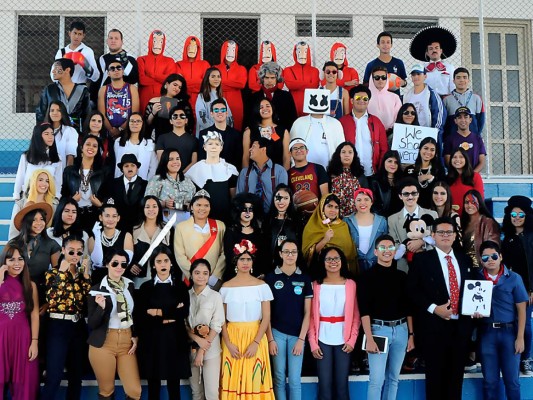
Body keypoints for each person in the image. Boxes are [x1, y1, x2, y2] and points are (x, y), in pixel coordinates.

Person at [407, 216, 474, 400]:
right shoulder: (421, 260)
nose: (445, 235)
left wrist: (476, 308)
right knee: (435, 382)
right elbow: (412, 291)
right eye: (441, 232)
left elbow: (473, 289)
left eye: (449, 232)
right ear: (433, 235)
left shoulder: (464, 259)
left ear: (454, 236)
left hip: (460, 329)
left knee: (455, 382)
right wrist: (434, 309)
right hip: (433, 329)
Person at [358, 235, 414, 400]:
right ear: (376, 251)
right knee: (376, 380)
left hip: (401, 330)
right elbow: (364, 311)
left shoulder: (401, 276)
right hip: (378, 330)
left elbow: (408, 308)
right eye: (383, 248)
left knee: (393, 379)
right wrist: (369, 338)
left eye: (390, 247)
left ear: (395, 251)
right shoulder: (366, 277)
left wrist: (411, 335)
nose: (387, 251)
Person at [220, 240, 275, 399]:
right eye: (242, 259)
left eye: (248, 259)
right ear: (235, 261)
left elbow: (266, 318)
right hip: (232, 338)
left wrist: (256, 342)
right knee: (233, 377)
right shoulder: (226, 287)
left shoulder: (262, 286)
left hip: (255, 336)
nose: (245, 262)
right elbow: (222, 320)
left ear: (252, 262)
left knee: (255, 377)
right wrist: (228, 343)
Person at [136, 245, 191, 400]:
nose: (163, 264)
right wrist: (171, 313)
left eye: (166, 260)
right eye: (158, 261)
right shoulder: (145, 288)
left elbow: (183, 312)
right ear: (153, 264)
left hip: (175, 338)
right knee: (154, 385)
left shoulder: (180, 287)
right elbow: (141, 316)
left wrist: (157, 312)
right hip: (152, 339)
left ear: (171, 263)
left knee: (174, 385)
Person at [476, 241, 528, 400]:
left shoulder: (514, 278)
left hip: (509, 333)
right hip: (487, 333)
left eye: (493, 256)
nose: (490, 260)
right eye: (485, 257)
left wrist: (520, 337)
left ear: (500, 256)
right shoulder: (475, 278)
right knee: (489, 381)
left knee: (512, 381)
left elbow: (522, 309)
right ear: (481, 260)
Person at [41, 234, 91, 400]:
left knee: (76, 377)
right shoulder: (51, 274)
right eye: (71, 252)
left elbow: (86, 303)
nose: (75, 256)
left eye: (79, 252)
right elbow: (52, 298)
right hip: (57, 326)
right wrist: (62, 273)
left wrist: (85, 277)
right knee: (54, 376)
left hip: (78, 328)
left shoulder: (82, 276)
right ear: (63, 250)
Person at [87, 249, 141, 400]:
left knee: (134, 391)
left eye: (123, 264)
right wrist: (101, 308)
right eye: (115, 263)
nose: (119, 267)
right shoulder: (97, 289)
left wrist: (135, 335)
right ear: (107, 264)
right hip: (103, 343)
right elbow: (92, 323)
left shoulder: (129, 286)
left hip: (126, 343)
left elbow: (134, 314)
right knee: (106, 390)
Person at [308, 247, 360, 400]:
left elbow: (356, 316)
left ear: (342, 261)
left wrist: (352, 340)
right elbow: (311, 316)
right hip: (322, 339)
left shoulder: (351, 284)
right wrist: (312, 342)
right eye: (329, 259)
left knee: (342, 385)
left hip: (344, 339)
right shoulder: (316, 285)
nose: (333, 262)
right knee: (324, 386)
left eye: (336, 258)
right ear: (323, 262)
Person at [265, 239, 313, 400]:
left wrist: (301, 339)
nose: (290, 255)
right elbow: (267, 313)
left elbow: (308, 313)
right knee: (278, 377)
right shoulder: (271, 278)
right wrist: (270, 339)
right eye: (286, 251)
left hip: (297, 336)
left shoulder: (305, 279)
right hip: (276, 333)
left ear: (298, 254)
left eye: (293, 252)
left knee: (294, 379)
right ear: (280, 254)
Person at [0, 244, 39, 400]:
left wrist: (34, 342)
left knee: (24, 382)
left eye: (20, 259)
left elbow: (35, 315)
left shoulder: (30, 285)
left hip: (23, 339)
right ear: (4, 262)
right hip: (1, 338)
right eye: (11, 259)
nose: (17, 263)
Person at [501, 195, 533, 375]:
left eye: (521, 214)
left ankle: (527, 358)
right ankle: (516, 355)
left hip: (528, 290)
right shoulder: (508, 239)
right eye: (514, 214)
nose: (517, 217)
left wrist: (531, 289)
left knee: (525, 324)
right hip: (512, 288)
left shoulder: (531, 237)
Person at [187, 258, 225, 400]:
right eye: (197, 273)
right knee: (196, 393)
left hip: (211, 350)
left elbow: (217, 324)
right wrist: (196, 339)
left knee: (211, 393)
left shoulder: (215, 296)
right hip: (191, 349)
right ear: (191, 275)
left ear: (209, 275)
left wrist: (202, 349)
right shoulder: (186, 296)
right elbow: (184, 323)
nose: (201, 276)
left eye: (205, 273)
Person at [9, 203, 60, 305]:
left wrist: (48, 302)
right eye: (34, 220)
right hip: (16, 294)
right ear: (27, 222)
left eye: (41, 219)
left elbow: (57, 275)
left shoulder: (52, 244)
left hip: (41, 294)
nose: (39, 223)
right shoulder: (14, 243)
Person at [174, 190, 226, 284]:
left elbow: (223, 253)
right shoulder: (181, 227)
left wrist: (214, 277)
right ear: (191, 207)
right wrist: (195, 275)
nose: (202, 208)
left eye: (206, 205)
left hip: (213, 281)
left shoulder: (220, 226)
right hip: (190, 279)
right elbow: (180, 255)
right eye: (198, 205)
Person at [62, 134, 111, 233]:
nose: (91, 148)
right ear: (81, 147)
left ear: (98, 150)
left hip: (94, 214)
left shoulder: (103, 171)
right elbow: (63, 194)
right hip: (74, 214)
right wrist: (71, 201)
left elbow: (108, 194)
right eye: (88, 144)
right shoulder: (70, 171)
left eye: (94, 146)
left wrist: (100, 204)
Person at [186, 131, 238, 223]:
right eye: (210, 143)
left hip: (224, 217)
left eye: (217, 144)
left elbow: (233, 197)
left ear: (221, 147)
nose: (213, 146)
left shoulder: (229, 169)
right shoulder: (195, 169)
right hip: (201, 217)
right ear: (204, 147)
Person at [387, 178, 438, 273]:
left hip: (428, 265)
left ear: (418, 194)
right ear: (400, 196)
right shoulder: (392, 219)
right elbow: (393, 243)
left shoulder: (432, 215)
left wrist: (422, 243)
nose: (410, 197)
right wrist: (408, 247)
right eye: (406, 194)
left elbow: (437, 239)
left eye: (414, 193)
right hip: (404, 267)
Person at [302, 193, 358, 277]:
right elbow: (308, 255)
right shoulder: (312, 226)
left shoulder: (343, 226)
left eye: (336, 207)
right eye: (329, 206)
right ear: (322, 207)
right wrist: (325, 240)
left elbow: (350, 253)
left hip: (342, 274)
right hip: (321, 273)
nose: (333, 210)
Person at [340, 85, 389, 176]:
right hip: (348, 174)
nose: (362, 101)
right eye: (358, 98)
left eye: (365, 99)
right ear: (351, 101)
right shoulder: (342, 122)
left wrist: (380, 169)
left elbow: (384, 148)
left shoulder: (376, 122)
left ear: (368, 101)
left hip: (372, 173)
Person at [290, 97, 345, 171]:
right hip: (302, 172)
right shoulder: (299, 122)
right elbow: (291, 146)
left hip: (330, 171)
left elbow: (341, 147)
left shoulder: (335, 123)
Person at [236, 138, 288, 214]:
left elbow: (284, 198)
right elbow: (238, 199)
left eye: (253, 146)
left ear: (263, 149)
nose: (250, 149)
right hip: (250, 218)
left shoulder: (279, 171)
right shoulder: (244, 173)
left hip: (272, 217)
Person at [37, 58, 91, 131]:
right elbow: (41, 112)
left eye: (56, 68)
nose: (53, 71)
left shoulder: (82, 90)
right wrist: (42, 131)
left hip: (75, 132)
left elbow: (87, 114)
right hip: (53, 131)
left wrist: (85, 134)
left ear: (67, 70)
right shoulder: (50, 89)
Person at [88, 199, 134, 284]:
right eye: (107, 216)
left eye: (114, 216)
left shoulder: (126, 235)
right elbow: (98, 261)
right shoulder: (93, 237)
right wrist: (97, 236)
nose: (110, 219)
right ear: (101, 217)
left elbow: (127, 260)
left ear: (118, 218)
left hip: (120, 278)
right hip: (99, 279)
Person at [129, 195, 171, 288]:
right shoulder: (134, 230)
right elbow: (127, 253)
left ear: (159, 209)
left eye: (154, 206)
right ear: (142, 209)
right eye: (147, 207)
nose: (151, 209)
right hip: (138, 280)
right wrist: (131, 266)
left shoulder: (167, 229)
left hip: (161, 279)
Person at [14, 122, 62, 202]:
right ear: (38, 136)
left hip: (48, 199)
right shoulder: (27, 156)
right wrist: (17, 196)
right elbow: (20, 177)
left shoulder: (57, 157)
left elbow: (58, 179)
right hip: (28, 197)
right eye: (46, 134)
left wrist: (56, 197)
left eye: (52, 134)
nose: (50, 137)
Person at [223, 193, 267, 280]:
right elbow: (228, 257)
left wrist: (261, 274)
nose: (247, 212)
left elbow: (264, 256)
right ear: (237, 211)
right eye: (244, 209)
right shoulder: (231, 232)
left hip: (256, 277)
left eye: (250, 209)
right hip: (234, 277)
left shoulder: (260, 233)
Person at [403, 64, 447, 148]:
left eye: (419, 74)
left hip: (428, 134)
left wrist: (434, 133)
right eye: (413, 74)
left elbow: (439, 116)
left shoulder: (431, 94)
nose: (416, 77)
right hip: (411, 136)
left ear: (425, 76)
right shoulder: (407, 96)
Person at [345, 188, 388, 272]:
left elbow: (385, 242)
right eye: (359, 200)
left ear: (371, 202)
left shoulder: (382, 221)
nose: (362, 203)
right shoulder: (347, 221)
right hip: (354, 265)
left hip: (376, 265)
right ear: (354, 202)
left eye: (366, 199)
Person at [409, 26, 457, 97]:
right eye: (431, 49)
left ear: (441, 51)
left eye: (436, 48)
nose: (434, 50)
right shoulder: (422, 69)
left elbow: (453, 88)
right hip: (428, 100)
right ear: (427, 53)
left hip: (445, 101)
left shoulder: (450, 68)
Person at [247, 61, 297, 130]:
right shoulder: (253, 97)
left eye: (272, 78)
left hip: (281, 133)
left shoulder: (286, 96)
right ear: (262, 78)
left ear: (277, 79)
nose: (269, 81)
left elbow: (292, 119)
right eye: (267, 78)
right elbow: (249, 120)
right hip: (259, 133)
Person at [98, 59, 140, 139]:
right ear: (108, 73)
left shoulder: (132, 88)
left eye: (118, 68)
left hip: (128, 129)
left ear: (123, 71)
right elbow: (101, 113)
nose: (116, 70)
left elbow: (135, 112)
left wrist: (120, 129)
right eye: (112, 68)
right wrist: (111, 130)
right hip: (108, 131)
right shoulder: (104, 89)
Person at [9, 169, 56, 240]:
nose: (44, 183)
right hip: (24, 243)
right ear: (33, 181)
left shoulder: (54, 204)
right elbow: (14, 231)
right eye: (40, 180)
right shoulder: (20, 204)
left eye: (47, 181)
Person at [243, 98, 290, 169]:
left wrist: (284, 177)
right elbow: (246, 157)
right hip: (255, 174)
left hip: (276, 175)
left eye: (268, 106)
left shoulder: (283, 131)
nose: (265, 109)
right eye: (261, 107)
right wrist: (245, 177)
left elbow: (286, 157)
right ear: (257, 110)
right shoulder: (249, 131)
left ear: (272, 108)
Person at [197, 98, 243, 169]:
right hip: (209, 174)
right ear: (211, 114)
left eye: (223, 110)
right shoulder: (204, 134)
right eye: (216, 110)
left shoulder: (236, 134)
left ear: (227, 113)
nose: (220, 112)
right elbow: (202, 159)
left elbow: (238, 159)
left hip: (231, 174)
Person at [137, 30, 176, 112]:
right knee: (145, 120)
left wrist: (152, 75)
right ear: (150, 41)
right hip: (145, 98)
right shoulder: (142, 60)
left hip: (163, 99)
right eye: (154, 41)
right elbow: (142, 80)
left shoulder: (169, 61)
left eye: (160, 41)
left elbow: (170, 80)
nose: (157, 44)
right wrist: (162, 79)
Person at [145, 73, 192, 142]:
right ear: (167, 84)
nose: (177, 89)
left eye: (180, 87)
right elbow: (147, 123)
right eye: (175, 85)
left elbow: (189, 123)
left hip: (177, 139)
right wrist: (153, 112)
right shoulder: (154, 101)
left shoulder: (183, 104)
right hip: (157, 139)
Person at [263, 184, 301, 266]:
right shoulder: (267, 220)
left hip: (293, 265)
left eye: (286, 198)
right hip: (272, 266)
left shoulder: (297, 220)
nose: (281, 201)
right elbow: (264, 248)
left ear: (290, 200)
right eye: (278, 198)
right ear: (273, 199)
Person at [328, 141, 369, 217]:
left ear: (354, 155)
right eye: (343, 152)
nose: (347, 155)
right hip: (335, 217)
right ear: (339, 155)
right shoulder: (330, 175)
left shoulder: (360, 175)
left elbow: (366, 198)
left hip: (356, 217)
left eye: (350, 152)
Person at [461, 190, 500, 268]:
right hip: (464, 267)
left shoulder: (488, 222)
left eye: (473, 202)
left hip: (481, 267)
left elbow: (492, 248)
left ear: (480, 203)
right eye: (466, 202)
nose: (469, 205)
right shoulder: (462, 222)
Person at [109, 154, 148, 232]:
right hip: (117, 228)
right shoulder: (113, 184)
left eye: (133, 165)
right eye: (126, 166)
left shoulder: (145, 184)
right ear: (122, 169)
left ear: (137, 168)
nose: (130, 168)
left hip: (138, 228)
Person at [443, 67, 485, 137]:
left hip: (472, 138)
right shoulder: (446, 99)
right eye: (458, 77)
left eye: (464, 77)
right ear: (453, 81)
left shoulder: (477, 98)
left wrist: (476, 135)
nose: (461, 80)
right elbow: (444, 121)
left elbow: (481, 120)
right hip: (453, 139)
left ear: (468, 80)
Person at [214, 40, 247, 131]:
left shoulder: (241, 68)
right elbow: (213, 83)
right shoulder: (215, 68)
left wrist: (222, 82)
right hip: (218, 98)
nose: (230, 53)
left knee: (236, 125)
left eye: (233, 50)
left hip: (236, 101)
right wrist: (233, 83)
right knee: (218, 124)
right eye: (228, 49)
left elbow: (241, 84)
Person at [113, 113, 157, 180]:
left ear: (142, 124)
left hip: (142, 184)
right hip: (120, 184)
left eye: (138, 121)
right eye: (132, 121)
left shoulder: (149, 144)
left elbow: (153, 168)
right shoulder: (118, 142)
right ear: (128, 123)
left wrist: (147, 184)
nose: (135, 123)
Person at [404, 137, 445, 208]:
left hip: (432, 210)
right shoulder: (409, 170)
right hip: (412, 209)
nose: (428, 152)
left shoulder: (439, 170)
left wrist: (431, 178)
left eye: (432, 150)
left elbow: (442, 191)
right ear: (420, 149)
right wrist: (418, 180)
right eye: (425, 148)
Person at [155, 104, 198, 171]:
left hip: (188, 177)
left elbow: (194, 162)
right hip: (167, 177)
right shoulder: (162, 138)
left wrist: (182, 174)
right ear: (171, 121)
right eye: (175, 116)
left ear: (186, 120)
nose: (178, 118)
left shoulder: (194, 140)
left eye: (182, 116)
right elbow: (161, 160)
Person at [443, 106, 487, 172]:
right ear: (455, 121)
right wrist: (460, 174)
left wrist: (472, 175)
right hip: (456, 177)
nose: (463, 120)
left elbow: (482, 161)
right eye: (459, 117)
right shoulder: (449, 139)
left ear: (470, 120)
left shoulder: (478, 139)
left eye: (466, 117)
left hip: (473, 177)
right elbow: (447, 160)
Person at [363, 32, 407, 96]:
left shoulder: (399, 63)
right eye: (383, 42)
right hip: (377, 99)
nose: (385, 45)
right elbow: (365, 84)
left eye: (388, 42)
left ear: (391, 45)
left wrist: (403, 83)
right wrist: (378, 82)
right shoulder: (371, 65)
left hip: (395, 99)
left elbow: (405, 82)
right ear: (378, 45)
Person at [282, 41, 320, 117]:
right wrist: (307, 83)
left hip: (310, 106)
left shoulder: (315, 70)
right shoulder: (288, 70)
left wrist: (297, 83)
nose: (302, 54)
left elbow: (314, 85)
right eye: (299, 51)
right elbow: (290, 85)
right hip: (293, 106)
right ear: (295, 53)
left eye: (305, 51)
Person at [175, 36, 211, 113]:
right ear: (185, 48)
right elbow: (178, 84)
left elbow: (206, 84)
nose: (192, 49)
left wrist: (186, 83)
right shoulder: (178, 64)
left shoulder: (205, 64)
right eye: (189, 47)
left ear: (198, 49)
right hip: (183, 99)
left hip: (201, 99)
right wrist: (198, 82)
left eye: (194, 47)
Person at [195, 67, 233, 137]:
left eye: (218, 76)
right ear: (207, 78)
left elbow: (229, 117)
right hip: (207, 135)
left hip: (222, 135)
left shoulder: (223, 99)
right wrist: (215, 129)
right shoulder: (201, 97)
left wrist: (225, 130)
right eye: (213, 76)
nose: (216, 79)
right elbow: (201, 118)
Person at [447, 147, 484, 216]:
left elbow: (479, 199)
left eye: (461, 157)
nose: (457, 160)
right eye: (454, 157)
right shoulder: (447, 179)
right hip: (452, 217)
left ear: (466, 159)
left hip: (470, 216)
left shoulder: (475, 176)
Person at [369, 150, 404, 218]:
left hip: (399, 218)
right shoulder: (375, 180)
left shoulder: (402, 180)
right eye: (390, 161)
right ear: (384, 162)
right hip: (381, 218)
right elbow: (373, 204)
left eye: (396, 162)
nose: (393, 164)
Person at [45, 100, 79, 168]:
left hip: (61, 172)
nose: (55, 113)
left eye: (58, 110)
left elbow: (70, 155)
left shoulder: (69, 131)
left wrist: (68, 174)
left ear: (63, 112)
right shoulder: (42, 130)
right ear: (49, 113)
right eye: (52, 110)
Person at [367, 66, 402, 131]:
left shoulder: (395, 97)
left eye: (383, 77)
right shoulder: (366, 97)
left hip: (391, 133)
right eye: (377, 77)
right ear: (372, 79)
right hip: (370, 133)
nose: (380, 80)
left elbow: (398, 118)